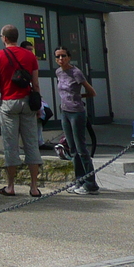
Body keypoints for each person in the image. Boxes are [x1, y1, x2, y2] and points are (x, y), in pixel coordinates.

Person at [0, 24, 42, 197]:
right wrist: (38, 106)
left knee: (10, 146)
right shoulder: (30, 56)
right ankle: (34, 187)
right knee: (31, 144)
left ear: (4, 38)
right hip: (27, 102)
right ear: (17, 37)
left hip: (9, 103)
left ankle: (11, 186)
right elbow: (35, 84)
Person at [55, 46, 100, 194]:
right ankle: (79, 181)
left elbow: (91, 92)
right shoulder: (58, 72)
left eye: (63, 56)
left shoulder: (76, 72)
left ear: (69, 57)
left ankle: (91, 184)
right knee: (72, 149)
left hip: (77, 113)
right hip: (65, 113)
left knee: (81, 149)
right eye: (58, 57)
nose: (61, 59)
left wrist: (79, 97)